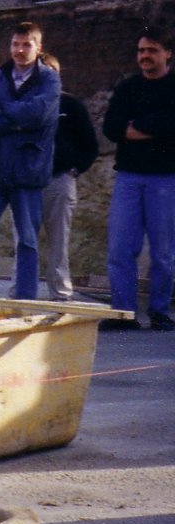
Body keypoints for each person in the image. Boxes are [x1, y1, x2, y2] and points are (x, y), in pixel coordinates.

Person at [0, 22, 60, 300]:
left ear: (38, 48)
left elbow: (39, 115)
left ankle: (25, 301)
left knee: (28, 241)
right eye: (15, 44)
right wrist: (18, 118)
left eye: (26, 44)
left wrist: (5, 113)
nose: (19, 50)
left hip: (28, 173)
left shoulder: (50, 80)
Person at [100, 28, 175, 332]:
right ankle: (123, 313)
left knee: (163, 251)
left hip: (165, 180)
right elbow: (111, 127)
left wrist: (136, 127)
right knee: (120, 248)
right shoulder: (128, 88)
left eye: (152, 50)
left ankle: (159, 312)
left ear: (168, 53)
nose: (145, 56)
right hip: (129, 178)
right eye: (141, 50)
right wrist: (155, 129)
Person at [37, 52, 99, 302]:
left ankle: (60, 293)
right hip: (28, 183)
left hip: (59, 180)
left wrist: (76, 169)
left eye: (50, 70)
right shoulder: (25, 105)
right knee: (25, 242)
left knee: (59, 241)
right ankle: (21, 293)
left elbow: (90, 144)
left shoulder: (71, 105)